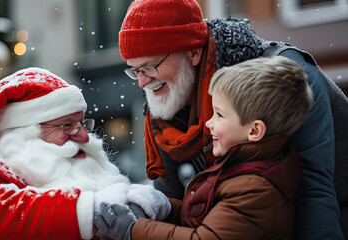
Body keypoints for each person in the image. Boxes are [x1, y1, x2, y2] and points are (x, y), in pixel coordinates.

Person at [116, 0, 348, 239]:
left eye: (149, 67)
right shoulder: (166, 105)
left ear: (193, 53)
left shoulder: (287, 79)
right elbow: (177, 202)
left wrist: (136, 230)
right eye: (135, 71)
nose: (142, 82)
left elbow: (314, 194)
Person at [0, 68, 171, 239]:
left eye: (82, 124)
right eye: (67, 126)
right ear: (25, 131)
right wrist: (89, 208)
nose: (84, 137)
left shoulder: (59, 159)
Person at [95, 56, 313, 239]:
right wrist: (166, 207)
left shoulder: (257, 189)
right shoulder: (240, 169)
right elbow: (202, 217)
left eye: (219, 115)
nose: (209, 123)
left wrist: (133, 230)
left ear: (254, 131)